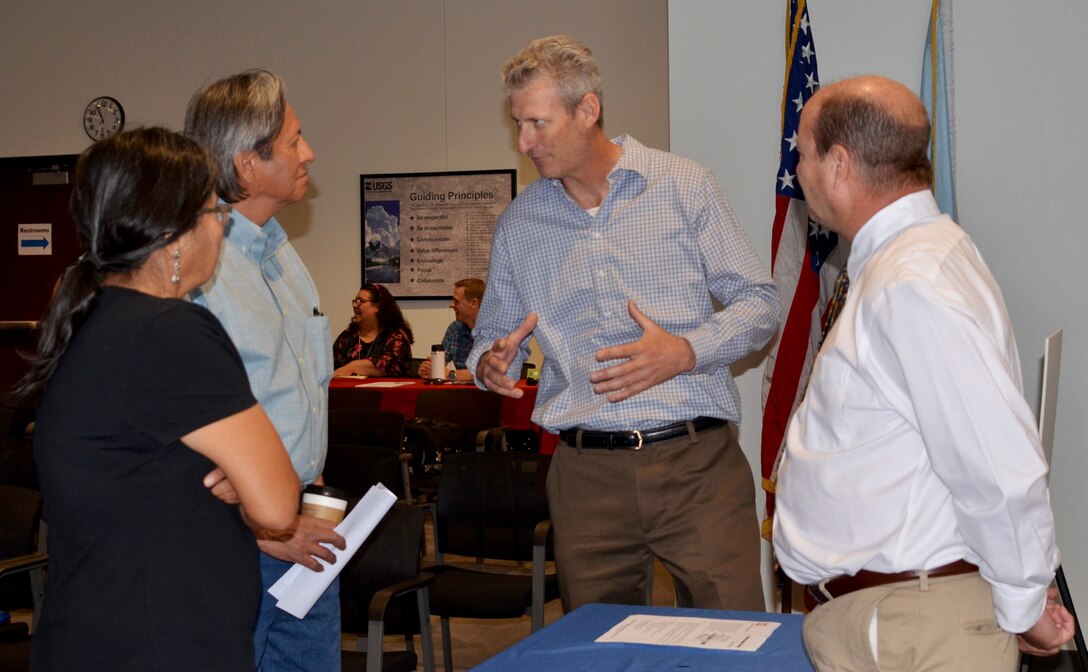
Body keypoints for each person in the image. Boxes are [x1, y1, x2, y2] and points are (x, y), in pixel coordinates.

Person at [468, 35, 780, 612]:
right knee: (599, 647)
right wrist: (488, 361)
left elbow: (760, 303)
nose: (523, 142)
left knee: (736, 640)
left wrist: (685, 352)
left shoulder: (684, 186)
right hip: (586, 479)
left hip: (696, 468)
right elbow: (491, 336)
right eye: (518, 123)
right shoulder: (519, 225)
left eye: (537, 122)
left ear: (588, 109)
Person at [772, 75, 1074, 670]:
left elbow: (994, 462)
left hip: (915, 628)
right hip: (899, 618)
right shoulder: (908, 261)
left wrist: (1025, 604)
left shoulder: (913, 281)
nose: (797, 171)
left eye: (802, 153)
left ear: (839, 164)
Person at [9, 128, 299, 671]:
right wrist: (247, 480)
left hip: (95, 631)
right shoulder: (174, 331)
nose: (223, 226)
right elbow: (279, 504)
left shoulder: (87, 317)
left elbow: (141, 473)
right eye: (217, 212)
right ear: (175, 233)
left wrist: (237, 477)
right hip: (162, 640)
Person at [185, 70, 346, 672]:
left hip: (305, 526)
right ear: (246, 164)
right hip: (239, 538)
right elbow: (181, 427)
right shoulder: (199, 267)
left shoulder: (281, 254)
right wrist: (263, 528)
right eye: (294, 140)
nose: (309, 153)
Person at [332, 283, 415, 377]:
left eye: (361, 301)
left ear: (377, 306)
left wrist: (351, 367)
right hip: (348, 391)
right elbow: (330, 366)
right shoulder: (348, 336)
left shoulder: (396, 336)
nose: (355, 305)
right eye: (355, 301)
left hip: (386, 391)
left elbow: (389, 364)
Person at [417, 277, 485, 381]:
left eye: (457, 302)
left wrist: (450, 375)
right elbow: (439, 364)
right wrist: (429, 369)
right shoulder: (455, 329)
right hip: (462, 394)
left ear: (474, 303)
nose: (452, 305)